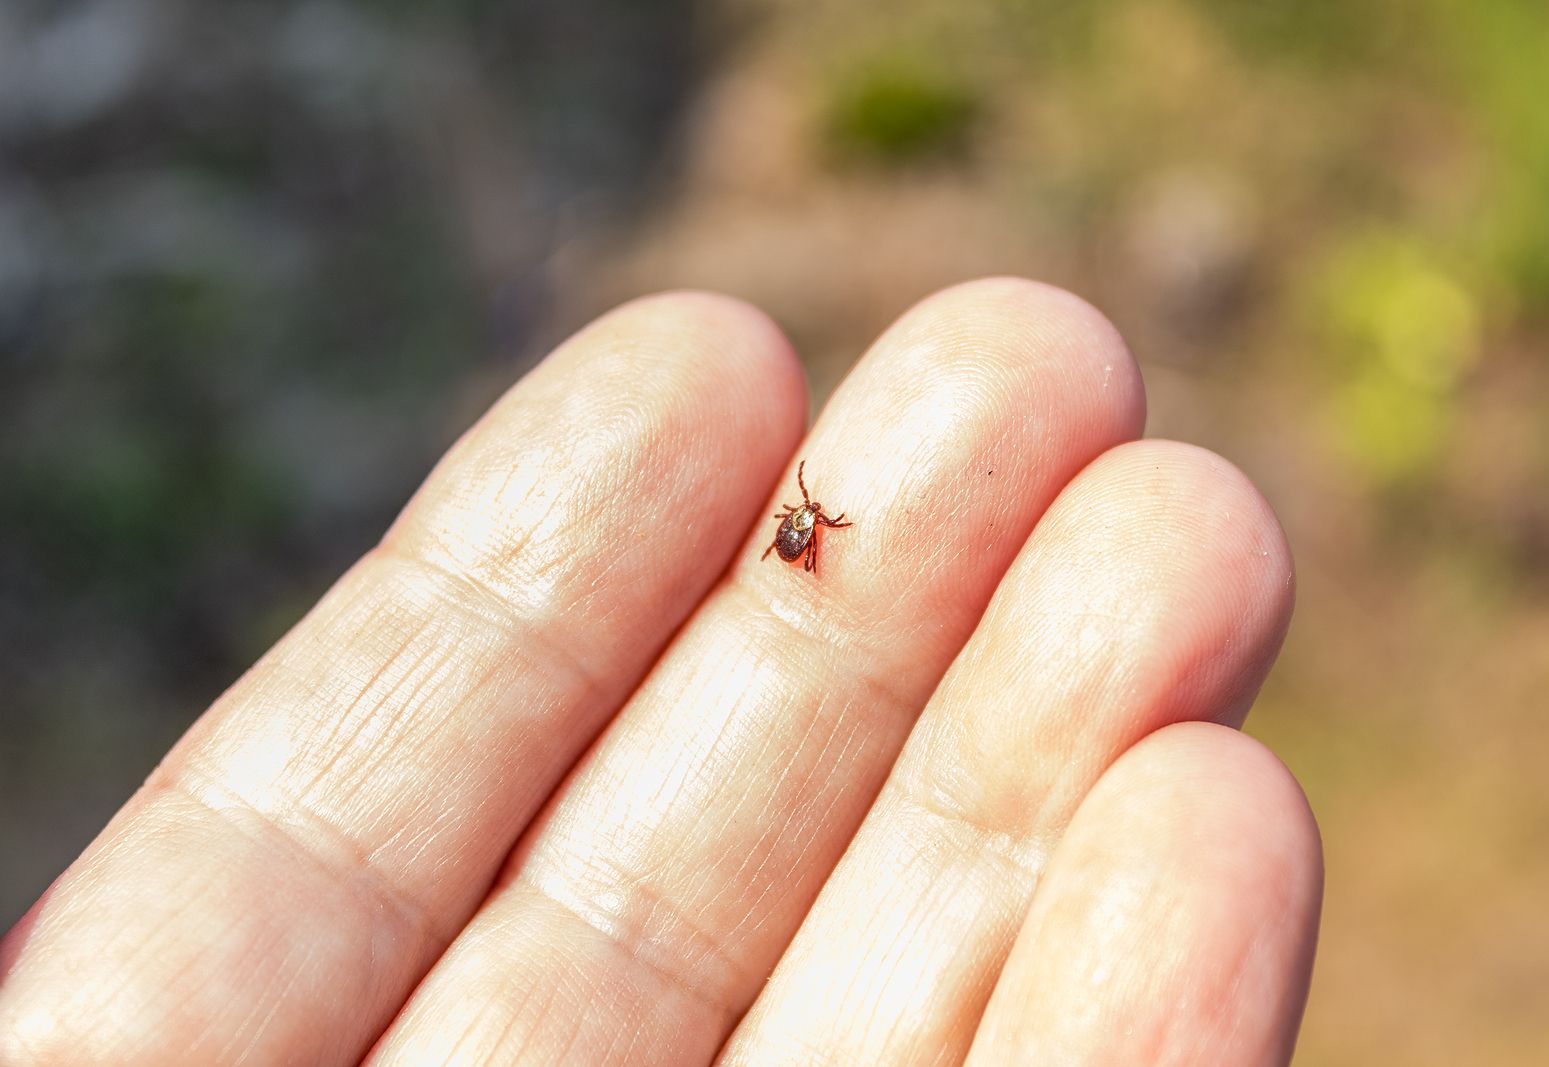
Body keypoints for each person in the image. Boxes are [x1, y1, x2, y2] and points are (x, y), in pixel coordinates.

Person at [0, 278, 1321, 1065]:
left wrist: (804, 534)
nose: (803, 525)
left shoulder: (804, 531)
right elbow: (810, 536)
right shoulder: (809, 529)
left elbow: (807, 538)